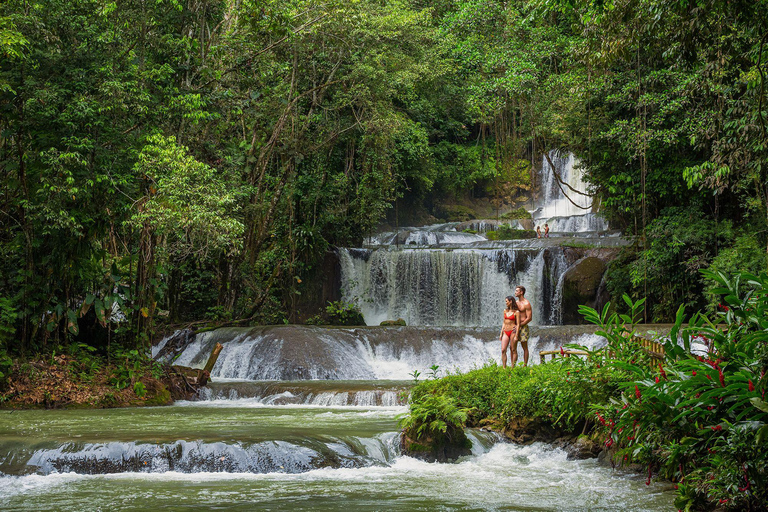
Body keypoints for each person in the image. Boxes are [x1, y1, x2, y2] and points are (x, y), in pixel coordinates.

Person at [499, 296, 520, 368]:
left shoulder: (516, 312)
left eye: (506, 301)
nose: (506, 303)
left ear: (511, 301)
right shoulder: (505, 311)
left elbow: (518, 324)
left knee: (513, 349)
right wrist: (501, 333)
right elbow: (504, 322)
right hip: (505, 332)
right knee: (503, 350)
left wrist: (517, 335)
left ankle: (512, 367)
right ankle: (504, 367)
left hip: (513, 332)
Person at [514, 285, 532, 366]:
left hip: (523, 327)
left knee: (524, 347)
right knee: (513, 347)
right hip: (515, 326)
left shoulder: (526, 303)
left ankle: (525, 365)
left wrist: (520, 325)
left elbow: (529, 318)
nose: (515, 292)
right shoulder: (515, 303)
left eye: (517, 291)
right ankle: (513, 365)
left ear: (521, 292)